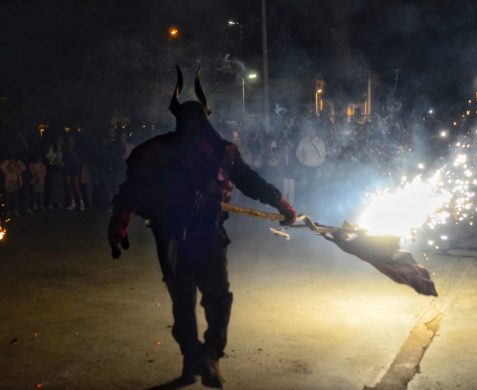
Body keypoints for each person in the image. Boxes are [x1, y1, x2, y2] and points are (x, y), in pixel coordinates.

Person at [107, 68, 296, 389]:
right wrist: (281, 203)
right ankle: (204, 355)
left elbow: (130, 190)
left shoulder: (191, 151)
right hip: (187, 235)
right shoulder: (209, 150)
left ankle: (199, 356)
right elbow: (134, 189)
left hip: (187, 236)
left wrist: (280, 202)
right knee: (211, 297)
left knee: (194, 299)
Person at [63, 137, 85, 210]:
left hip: (75, 169)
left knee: (76, 186)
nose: (70, 142)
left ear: (74, 141)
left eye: (72, 140)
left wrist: (77, 166)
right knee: (69, 186)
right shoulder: (66, 149)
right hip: (68, 169)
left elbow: (79, 159)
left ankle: (82, 203)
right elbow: (64, 158)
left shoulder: (77, 149)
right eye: (69, 140)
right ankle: (73, 203)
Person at [46, 137, 66, 210]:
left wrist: (61, 163)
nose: (60, 142)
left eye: (61, 140)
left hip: (60, 169)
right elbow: (47, 157)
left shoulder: (63, 148)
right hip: (53, 169)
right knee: (53, 186)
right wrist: (53, 161)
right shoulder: (52, 147)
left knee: (60, 186)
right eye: (59, 140)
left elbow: (65, 159)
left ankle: (59, 202)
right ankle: (51, 202)